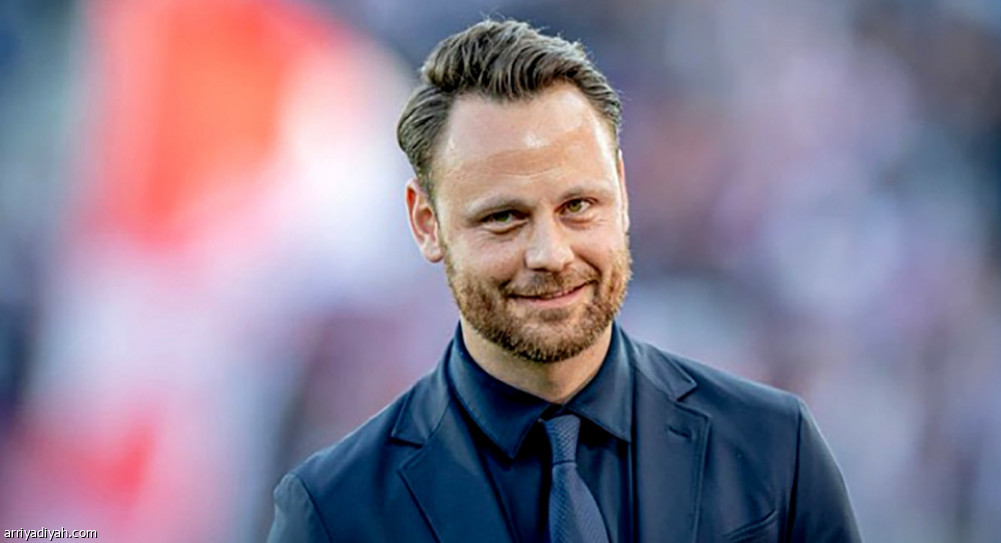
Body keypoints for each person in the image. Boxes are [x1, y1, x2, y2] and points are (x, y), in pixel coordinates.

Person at [268, 18, 861, 543]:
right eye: (505, 217)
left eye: (578, 206)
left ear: (622, 192)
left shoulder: (774, 448)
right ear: (427, 224)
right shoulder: (336, 511)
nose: (551, 254)